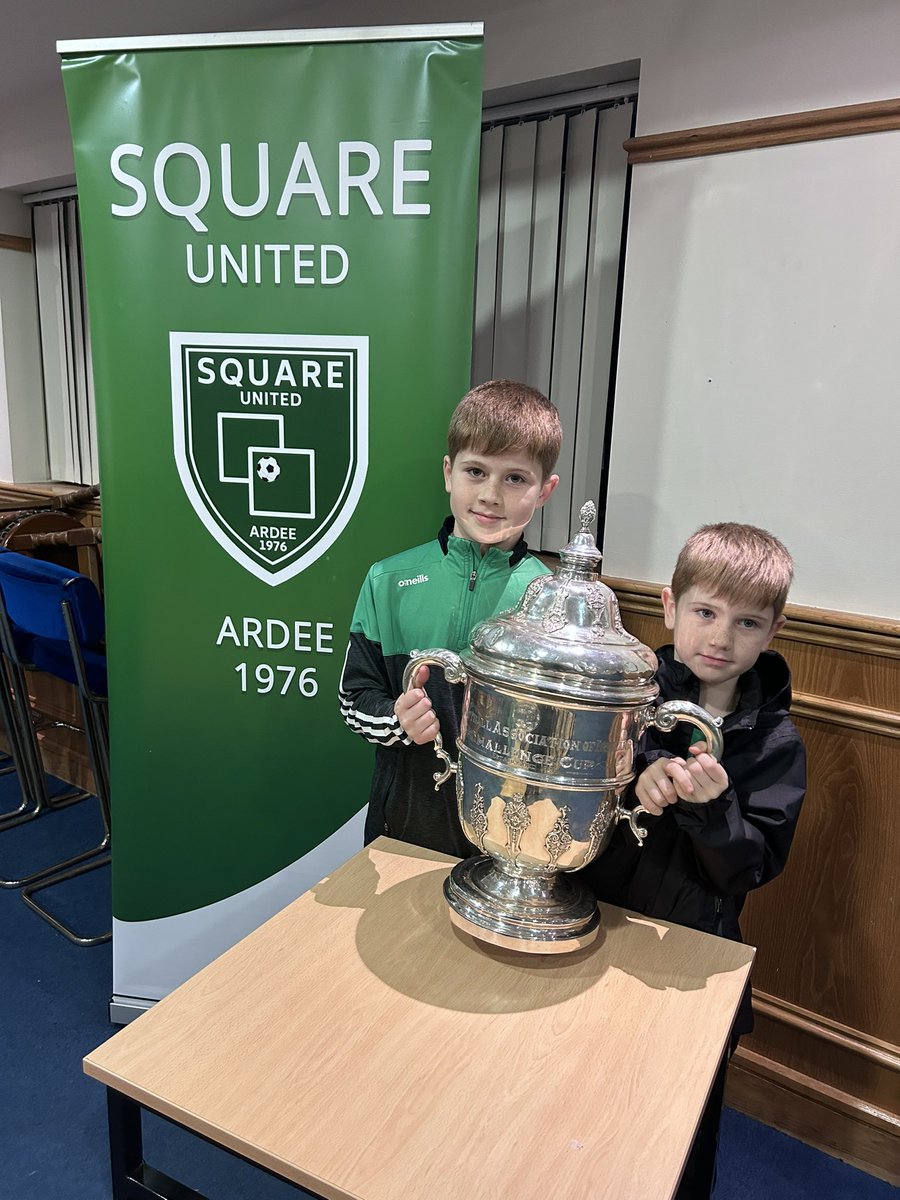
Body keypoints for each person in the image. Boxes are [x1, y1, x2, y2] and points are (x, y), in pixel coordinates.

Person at [583, 521, 806, 1200]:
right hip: (602, 933)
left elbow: (750, 869)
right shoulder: (626, 699)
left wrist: (712, 811)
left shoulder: (775, 742)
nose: (720, 637)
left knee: (676, 1132)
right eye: (705, 612)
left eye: (746, 622)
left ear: (772, 632)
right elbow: (575, 818)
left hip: (697, 956)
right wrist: (634, 787)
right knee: (585, 1106)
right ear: (670, 606)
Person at [338, 379, 561, 857]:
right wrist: (397, 720)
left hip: (511, 839)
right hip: (402, 824)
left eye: (515, 478)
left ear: (545, 490)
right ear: (448, 472)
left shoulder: (554, 602)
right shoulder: (389, 580)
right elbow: (354, 697)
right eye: (475, 471)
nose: (491, 495)